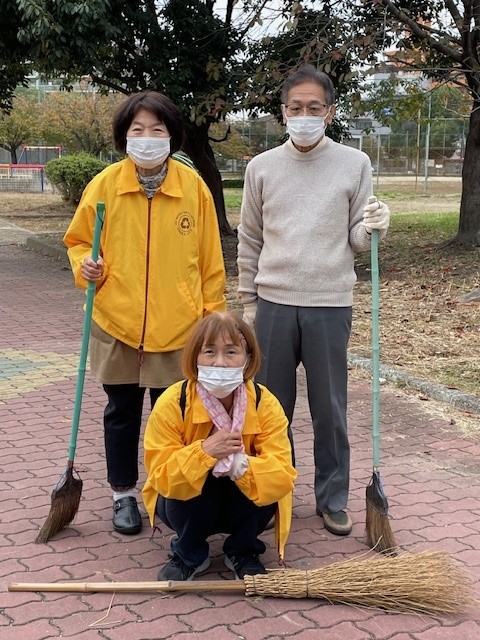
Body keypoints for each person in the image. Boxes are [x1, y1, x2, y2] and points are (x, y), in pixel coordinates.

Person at [237, 64, 390, 537]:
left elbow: (357, 238)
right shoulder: (261, 167)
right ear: (283, 112)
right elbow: (250, 238)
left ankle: (333, 498)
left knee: (330, 408)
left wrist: (373, 226)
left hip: (329, 302)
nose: (304, 115)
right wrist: (248, 302)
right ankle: (271, 493)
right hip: (273, 304)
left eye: (314, 108)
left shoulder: (354, 163)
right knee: (269, 407)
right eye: (295, 107)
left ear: (330, 112)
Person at [64, 91, 226, 536]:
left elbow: (211, 262)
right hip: (115, 321)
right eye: (138, 130)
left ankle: (168, 488)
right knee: (120, 411)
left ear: (172, 137)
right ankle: (123, 495)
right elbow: (78, 241)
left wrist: (213, 321)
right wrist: (86, 265)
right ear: (124, 137)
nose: (148, 138)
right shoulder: (105, 185)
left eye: (157, 130)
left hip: (178, 326)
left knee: (169, 413)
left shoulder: (193, 189)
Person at [142, 312, 297, 581]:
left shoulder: (264, 403)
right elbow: (161, 474)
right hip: (187, 503)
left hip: (242, 498)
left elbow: (282, 473)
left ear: (248, 358)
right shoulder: (173, 402)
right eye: (209, 352)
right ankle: (190, 552)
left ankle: (243, 549)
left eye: (231, 352)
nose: (220, 363)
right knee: (189, 484)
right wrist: (204, 453)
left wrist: (240, 465)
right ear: (195, 357)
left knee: (261, 489)